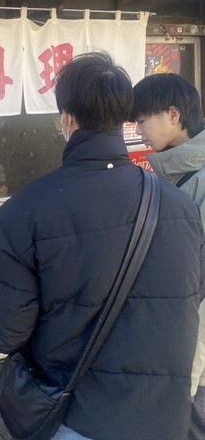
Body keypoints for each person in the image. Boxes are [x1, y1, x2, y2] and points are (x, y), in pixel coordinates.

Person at [0, 52, 205, 440]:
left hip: (76, 416)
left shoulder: (22, 213)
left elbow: (2, 333)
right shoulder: (178, 204)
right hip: (163, 416)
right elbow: (190, 296)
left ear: (66, 119)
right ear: (123, 119)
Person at [131, 72, 205, 440]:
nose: (138, 130)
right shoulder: (178, 171)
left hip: (193, 337)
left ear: (173, 115)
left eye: (142, 119)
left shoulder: (197, 177)